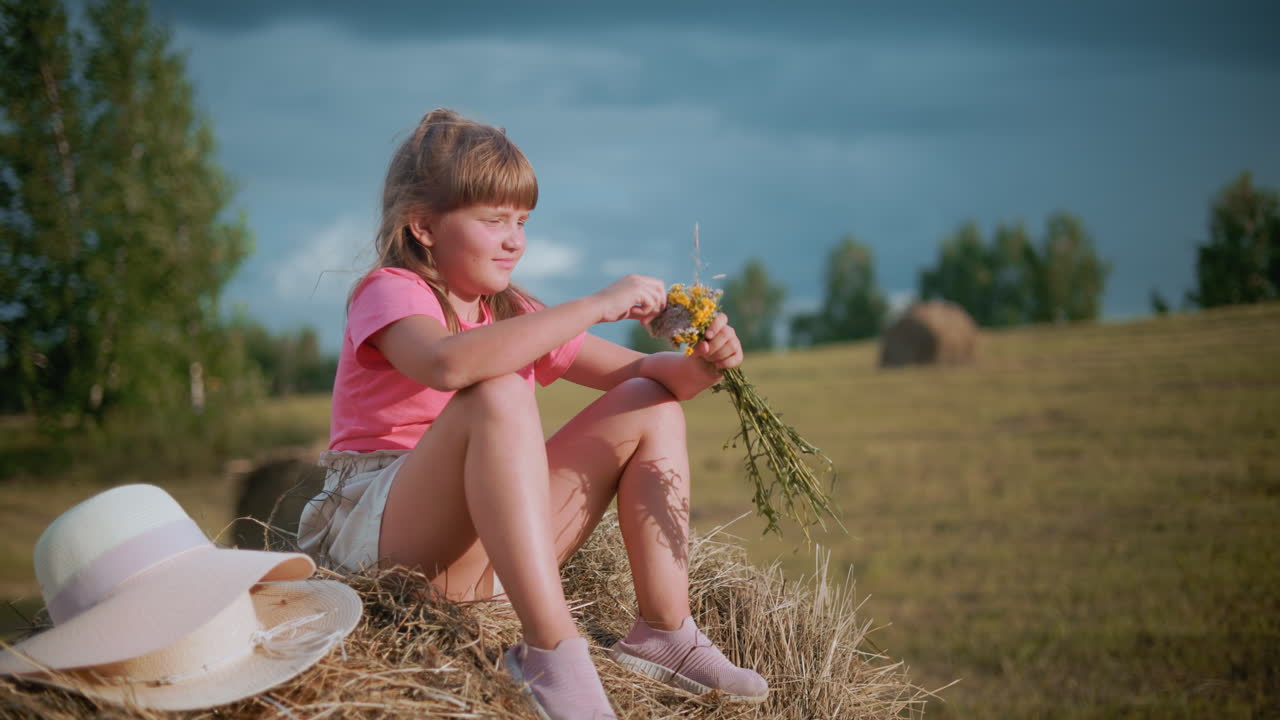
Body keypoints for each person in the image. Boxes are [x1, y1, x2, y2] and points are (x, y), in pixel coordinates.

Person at [298, 108, 767, 720]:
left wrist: (705, 363)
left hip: (483, 560)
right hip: (383, 539)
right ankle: (551, 652)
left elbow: (642, 374)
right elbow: (447, 364)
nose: (515, 238)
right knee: (499, 391)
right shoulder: (391, 290)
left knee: (652, 406)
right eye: (493, 221)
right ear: (423, 227)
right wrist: (597, 303)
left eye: (521, 221)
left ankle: (664, 631)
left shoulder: (511, 309)